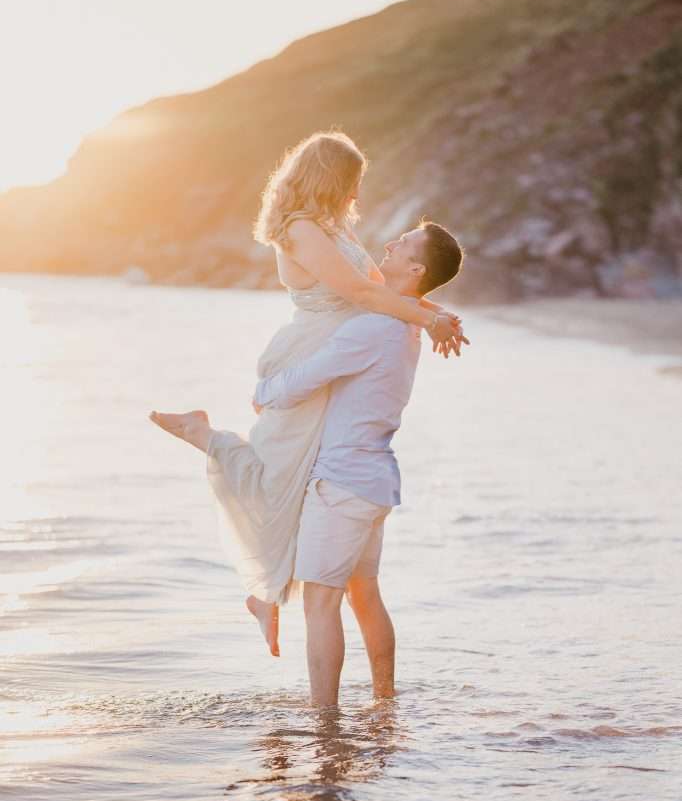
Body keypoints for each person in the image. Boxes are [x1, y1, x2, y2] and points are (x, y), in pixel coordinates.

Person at [149, 131, 466, 657]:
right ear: (331, 178)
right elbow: (364, 294)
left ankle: (268, 596)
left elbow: (382, 294)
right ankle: (203, 436)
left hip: (336, 357)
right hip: (307, 355)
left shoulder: (334, 227)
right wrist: (431, 320)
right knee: (277, 478)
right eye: (353, 180)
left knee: (300, 481)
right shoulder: (299, 229)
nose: (357, 191)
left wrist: (436, 314)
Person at [251, 220, 464, 706]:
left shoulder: (376, 326)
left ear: (416, 268)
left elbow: (308, 375)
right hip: (372, 482)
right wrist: (439, 314)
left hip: (344, 484)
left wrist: (264, 393)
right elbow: (396, 301)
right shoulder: (406, 321)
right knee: (364, 596)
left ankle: (325, 721)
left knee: (321, 603)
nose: (389, 244)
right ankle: (384, 703)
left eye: (404, 243)